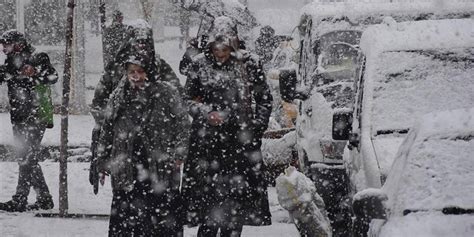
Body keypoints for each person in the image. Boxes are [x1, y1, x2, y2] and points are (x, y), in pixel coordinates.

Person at [182, 16, 273, 237]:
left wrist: (255, 130)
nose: (220, 54)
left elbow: (264, 100)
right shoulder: (200, 64)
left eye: (224, 48)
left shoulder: (249, 63)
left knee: (235, 213)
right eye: (216, 48)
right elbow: (185, 100)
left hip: (239, 147)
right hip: (206, 146)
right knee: (208, 213)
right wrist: (205, 113)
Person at [95, 51, 190, 236]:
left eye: (140, 71)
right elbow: (107, 129)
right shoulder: (118, 96)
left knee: (159, 217)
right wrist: (102, 160)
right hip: (126, 164)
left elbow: (183, 123)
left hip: (159, 165)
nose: (136, 76)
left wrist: (178, 153)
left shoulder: (165, 92)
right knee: (128, 218)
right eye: (132, 71)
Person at [0, 30, 58, 212]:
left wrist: (35, 72)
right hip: (18, 117)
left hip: (36, 116)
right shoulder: (11, 61)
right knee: (26, 158)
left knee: (27, 157)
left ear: (18, 44)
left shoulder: (37, 57)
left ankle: (20, 199)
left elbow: (52, 77)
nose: (3, 49)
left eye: (6, 45)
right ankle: (44, 199)